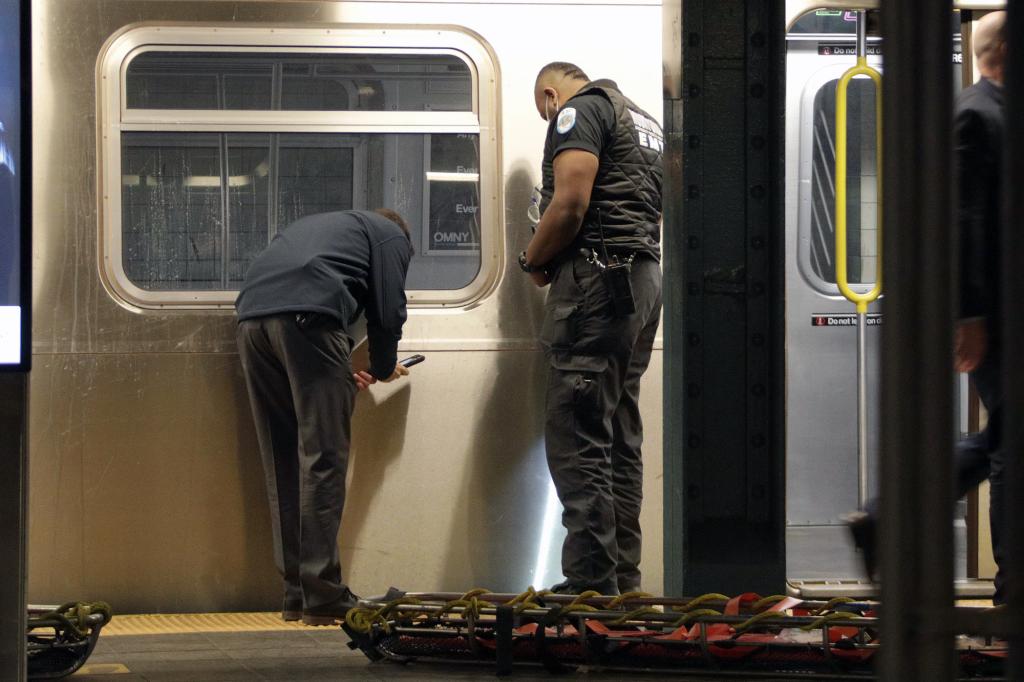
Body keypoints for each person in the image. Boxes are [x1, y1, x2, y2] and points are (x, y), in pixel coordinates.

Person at [849, 11, 1008, 603]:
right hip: (996, 317)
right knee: (1009, 449)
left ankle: (885, 518)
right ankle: (1010, 592)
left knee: (1002, 440)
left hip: (1002, 314)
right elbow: (961, 222)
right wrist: (968, 316)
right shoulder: (976, 113)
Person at [520, 62, 663, 595]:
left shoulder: (580, 111)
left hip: (598, 284)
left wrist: (531, 261)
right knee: (619, 435)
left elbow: (570, 202)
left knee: (578, 435)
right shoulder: (644, 121)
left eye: (543, 109)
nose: (547, 117)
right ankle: (621, 578)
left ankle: (591, 584)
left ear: (552, 96)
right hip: (644, 283)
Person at [235, 209, 413, 624]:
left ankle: (297, 593)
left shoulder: (327, 229)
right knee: (324, 457)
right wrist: (385, 365)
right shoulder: (390, 235)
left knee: (282, 460)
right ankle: (324, 594)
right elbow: (387, 309)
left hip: (250, 323)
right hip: (308, 319)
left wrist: (337, 369)